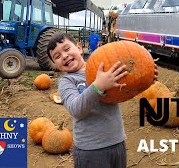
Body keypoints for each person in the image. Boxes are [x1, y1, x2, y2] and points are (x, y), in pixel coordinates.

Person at [47, 33, 157, 168]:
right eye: (57, 56)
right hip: (91, 149)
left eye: (67, 49)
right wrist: (98, 86)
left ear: (79, 48)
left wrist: (144, 77)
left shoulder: (104, 68)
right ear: (55, 64)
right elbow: (76, 109)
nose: (64, 56)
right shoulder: (66, 81)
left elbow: (123, 91)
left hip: (117, 142)